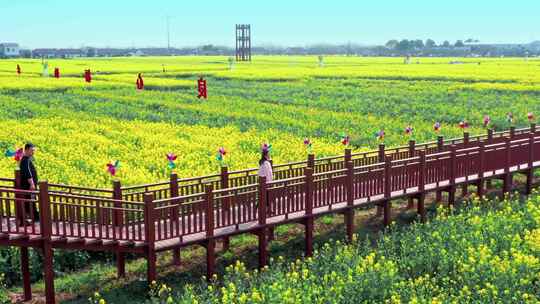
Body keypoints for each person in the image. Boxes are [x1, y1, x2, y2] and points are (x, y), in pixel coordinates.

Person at [19, 143, 39, 223]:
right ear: (26, 150)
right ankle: (34, 217)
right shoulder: (25, 160)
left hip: (29, 186)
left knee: (31, 201)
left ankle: (33, 217)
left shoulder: (26, 159)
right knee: (31, 201)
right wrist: (32, 184)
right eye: (31, 150)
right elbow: (27, 172)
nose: (33, 152)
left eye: (33, 151)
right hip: (29, 186)